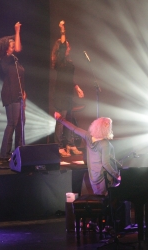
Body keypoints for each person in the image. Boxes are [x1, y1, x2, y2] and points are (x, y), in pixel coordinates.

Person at [54, 112, 121, 195]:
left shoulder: (87, 136)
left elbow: (73, 128)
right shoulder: (104, 143)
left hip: (93, 176)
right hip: (103, 177)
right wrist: (117, 176)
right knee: (106, 201)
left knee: (99, 200)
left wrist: (60, 118)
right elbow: (106, 163)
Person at [51, 20, 84, 157]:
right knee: (61, 120)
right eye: (66, 46)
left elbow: (70, 78)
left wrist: (77, 87)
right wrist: (62, 29)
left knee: (69, 119)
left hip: (69, 93)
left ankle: (70, 145)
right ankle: (58, 146)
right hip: (60, 94)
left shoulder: (68, 62)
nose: (68, 47)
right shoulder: (59, 61)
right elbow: (63, 45)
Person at [0, 22, 26, 161]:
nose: (13, 45)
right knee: (12, 123)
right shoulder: (5, 59)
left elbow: (19, 78)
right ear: (6, 47)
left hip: (19, 94)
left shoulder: (15, 60)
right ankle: (4, 153)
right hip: (9, 94)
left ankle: (19, 151)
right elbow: (18, 48)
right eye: (11, 44)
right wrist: (17, 31)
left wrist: (23, 92)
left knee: (21, 123)